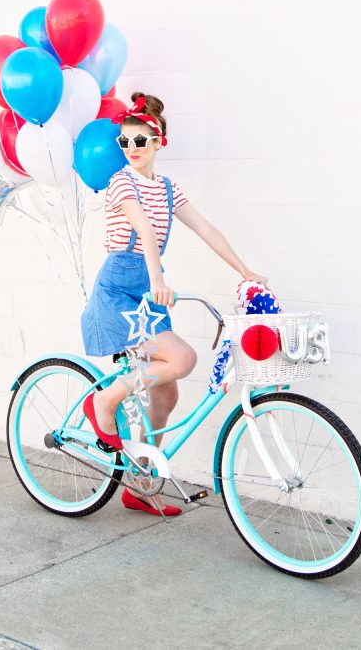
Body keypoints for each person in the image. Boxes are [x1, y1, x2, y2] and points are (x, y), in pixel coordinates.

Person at [80, 92, 268, 516]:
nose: (131, 150)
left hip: (148, 289)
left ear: (159, 142)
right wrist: (159, 278)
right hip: (121, 288)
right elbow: (144, 229)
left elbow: (206, 228)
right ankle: (105, 402)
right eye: (125, 142)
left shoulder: (167, 188)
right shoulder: (120, 182)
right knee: (182, 359)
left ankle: (140, 483)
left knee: (165, 397)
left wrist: (245, 272)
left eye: (140, 142)